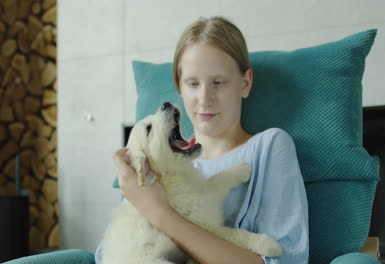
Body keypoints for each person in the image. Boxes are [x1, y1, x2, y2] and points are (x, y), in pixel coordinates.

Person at [96, 16, 309, 264]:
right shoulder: (156, 162)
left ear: (245, 83)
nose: (204, 98)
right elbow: (108, 256)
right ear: (179, 85)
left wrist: (158, 212)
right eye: (193, 83)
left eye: (218, 82)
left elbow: (286, 261)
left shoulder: (269, 147)